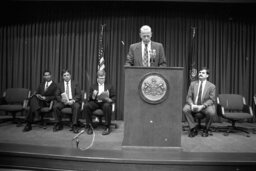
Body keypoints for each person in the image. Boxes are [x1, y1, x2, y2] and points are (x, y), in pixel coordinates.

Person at [183, 67, 216, 137]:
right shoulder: (193, 84)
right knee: (185, 109)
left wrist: (203, 106)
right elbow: (188, 97)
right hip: (194, 105)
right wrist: (191, 104)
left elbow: (212, 99)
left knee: (211, 112)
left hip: (205, 106)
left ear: (207, 75)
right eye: (200, 72)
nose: (200, 74)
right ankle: (193, 128)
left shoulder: (211, 86)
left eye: (203, 73)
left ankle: (206, 129)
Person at [84, 70, 116, 135]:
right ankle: (89, 126)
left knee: (107, 106)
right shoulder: (93, 86)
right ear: (97, 79)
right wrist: (93, 95)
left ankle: (107, 127)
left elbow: (114, 97)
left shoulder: (109, 86)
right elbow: (89, 98)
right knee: (86, 106)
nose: (102, 80)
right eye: (100, 78)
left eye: (103, 78)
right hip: (95, 102)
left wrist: (110, 99)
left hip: (105, 103)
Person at [53, 69, 82, 133]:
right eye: (64, 75)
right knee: (56, 107)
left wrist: (73, 100)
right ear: (62, 77)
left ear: (70, 75)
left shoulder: (75, 83)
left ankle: (74, 125)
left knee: (76, 106)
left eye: (68, 75)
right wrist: (61, 99)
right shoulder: (59, 84)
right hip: (63, 101)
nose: (66, 76)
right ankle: (58, 124)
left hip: (73, 101)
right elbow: (57, 95)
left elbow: (78, 94)